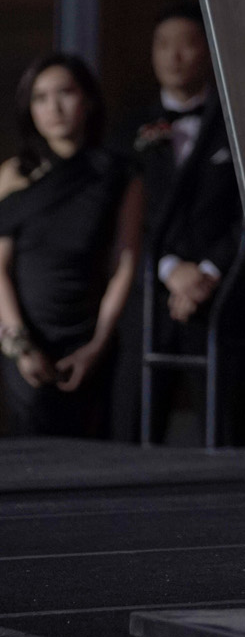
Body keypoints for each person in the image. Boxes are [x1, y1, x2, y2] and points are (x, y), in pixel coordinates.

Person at [113, 3, 245, 446]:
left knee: (226, 434)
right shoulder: (128, 129)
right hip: (148, 297)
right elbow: (121, 216)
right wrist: (170, 268)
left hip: (219, 296)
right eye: (163, 45)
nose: (174, 56)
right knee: (134, 433)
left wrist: (207, 273)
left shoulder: (240, 123)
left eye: (187, 44)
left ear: (208, 50)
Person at [0, 53, 141, 438]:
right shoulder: (13, 173)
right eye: (40, 98)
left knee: (90, 450)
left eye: (65, 93)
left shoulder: (118, 173)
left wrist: (98, 343)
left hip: (90, 337)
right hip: (24, 336)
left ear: (88, 100)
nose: (53, 107)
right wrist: (20, 345)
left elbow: (124, 262)